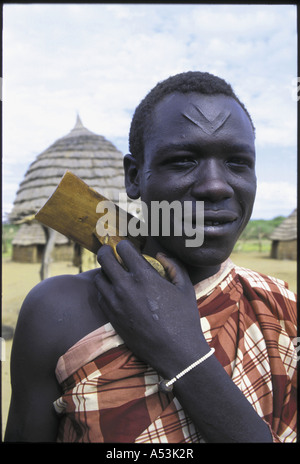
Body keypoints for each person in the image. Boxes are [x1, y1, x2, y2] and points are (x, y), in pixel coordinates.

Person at [5, 71, 297, 443]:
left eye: (238, 162)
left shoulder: (280, 308)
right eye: (183, 161)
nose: (215, 185)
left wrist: (183, 353)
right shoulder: (56, 312)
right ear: (134, 177)